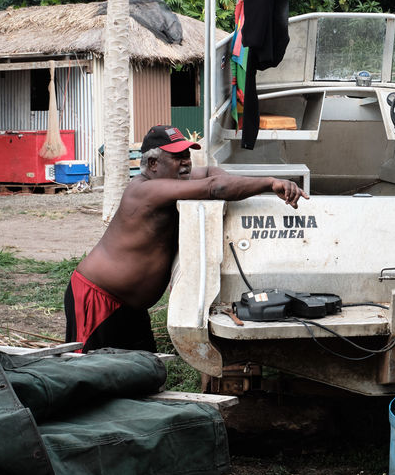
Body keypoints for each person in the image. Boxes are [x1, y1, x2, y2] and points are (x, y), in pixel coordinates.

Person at [65, 125, 308, 353]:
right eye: (177, 157)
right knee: (86, 372)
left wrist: (222, 182)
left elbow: (211, 174)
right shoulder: (143, 190)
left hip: (132, 306)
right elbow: (215, 187)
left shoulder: (173, 180)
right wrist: (270, 183)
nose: (186, 163)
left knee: (143, 370)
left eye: (187, 156)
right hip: (98, 298)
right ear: (153, 164)